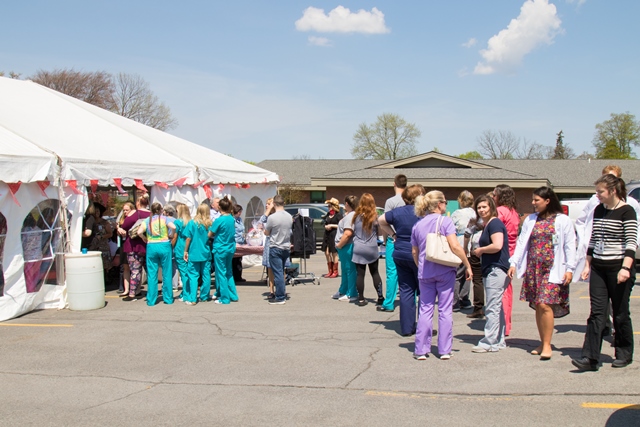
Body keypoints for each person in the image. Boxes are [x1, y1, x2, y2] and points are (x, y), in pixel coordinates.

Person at [572, 174, 637, 371]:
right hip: (599, 267)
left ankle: (624, 353)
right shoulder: (599, 209)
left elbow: (631, 242)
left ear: (613, 191)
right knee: (597, 313)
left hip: (619, 267)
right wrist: (587, 265)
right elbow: (593, 239)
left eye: (600, 191)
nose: (597, 195)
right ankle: (590, 357)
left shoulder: (627, 211)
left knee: (620, 313)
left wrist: (625, 268)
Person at [508, 187, 576, 360]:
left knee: (546, 304)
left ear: (548, 201)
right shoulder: (531, 219)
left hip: (553, 268)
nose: (533, 203)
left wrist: (570, 268)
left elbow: (569, 245)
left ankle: (547, 345)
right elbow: (522, 242)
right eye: (532, 200)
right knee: (538, 305)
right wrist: (514, 263)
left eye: (536, 200)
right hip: (534, 268)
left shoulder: (563, 220)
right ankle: (542, 341)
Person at [411, 191, 471, 360]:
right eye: (445, 202)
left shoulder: (418, 225)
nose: (446, 204)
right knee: (445, 310)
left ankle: (421, 349)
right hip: (445, 270)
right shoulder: (446, 222)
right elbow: (455, 246)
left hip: (425, 271)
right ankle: (444, 349)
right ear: (439, 204)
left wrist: (420, 265)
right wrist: (466, 264)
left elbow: (414, 252)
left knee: (425, 309)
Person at [379, 184, 426, 337]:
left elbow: (380, 220)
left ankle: (406, 328)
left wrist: (393, 234)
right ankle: (423, 327)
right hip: (419, 254)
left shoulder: (397, 212)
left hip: (400, 252)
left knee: (406, 290)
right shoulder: (423, 213)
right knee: (424, 292)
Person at [471, 195, 510, 353]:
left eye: (484, 207)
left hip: (496, 268)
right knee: (496, 307)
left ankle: (488, 341)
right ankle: (498, 341)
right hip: (492, 268)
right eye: (479, 207)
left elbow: (497, 245)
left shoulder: (494, 223)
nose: (481, 210)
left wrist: (480, 250)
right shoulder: (488, 224)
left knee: (492, 307)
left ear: (491, 207)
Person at [137, 202, 176, 306]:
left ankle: (151, 299)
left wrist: (144, 237)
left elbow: (139, 232)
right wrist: (170, 234)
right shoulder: (164, 219)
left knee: (152, 273)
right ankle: (168, 298)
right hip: (164, 245)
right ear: (161, 210)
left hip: (151, 246)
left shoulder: (147, 220)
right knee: (167, 272)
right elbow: (174, 227)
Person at [493, 184, 519, 336]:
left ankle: (502, 325)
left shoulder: (500, 212)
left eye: (495, 195)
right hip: (511, 253)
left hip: (501, 254)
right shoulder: (513, 212)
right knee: (507, 290)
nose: (493, 197)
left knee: (500, 291)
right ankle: (507, 323)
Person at [380, 174, 407, 312]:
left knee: (392, 272)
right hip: (409, 241)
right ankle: (410, 301)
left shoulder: (391, 202)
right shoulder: (411, 201)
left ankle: (389, 303)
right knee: (409, 273)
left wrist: (388, 237)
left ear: (394, 184)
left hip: (394, 239)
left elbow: (384, 222)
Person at [351, 193, 384, 307]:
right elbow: (379, 232)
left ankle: (361, 298)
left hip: (359, 246)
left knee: (360, 274)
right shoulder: (375, 216)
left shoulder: (356, 216)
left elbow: (353, 231)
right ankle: (380, 297)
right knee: (375, 272)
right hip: (371, 246)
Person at [118, 194, 150, 301]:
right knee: (149, 270)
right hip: (148, 244)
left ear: (138, 203)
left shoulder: (136, 213)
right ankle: (151, 291)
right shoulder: (151, 214)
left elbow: (125, 225)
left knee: (135, 270)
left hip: (133, 245)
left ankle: (132, 293)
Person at [209, 197, 239, 304]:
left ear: (220, 207)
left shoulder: (219, 220)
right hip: (230, 247)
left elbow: (210, 233)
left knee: (221, 273)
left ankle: (225, 298)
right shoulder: (231, 219)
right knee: (228, 272)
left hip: (220, 248)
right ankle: (233, 295)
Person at [265, 194, 293, 305]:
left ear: (274, 204)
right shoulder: (289, 216)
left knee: (277, 274)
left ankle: (280, 297)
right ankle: (281, 293)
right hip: (286, 247)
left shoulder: (272, 217)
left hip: (275, 246)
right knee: (281, 272)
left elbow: (266, 232)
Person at [183, 203, 213, 304]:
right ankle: (204, 296)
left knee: (193, 276)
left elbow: (188, 238)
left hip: (194, 252)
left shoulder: (192, 223)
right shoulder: (209, 224)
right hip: (205, 252)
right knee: (206, 275)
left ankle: (192, 298)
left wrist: (185, 250)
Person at [451, 190, 475, 311]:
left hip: (460, 242)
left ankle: (454, 301)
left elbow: (451, 227)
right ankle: (464, 298)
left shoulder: (456, 213)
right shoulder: (474, 213)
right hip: (472, 243)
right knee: (468, 272)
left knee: (457, 273)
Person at [333, 195, 358, 302]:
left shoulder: (350, 216)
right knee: (345, 269)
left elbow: (348, 233)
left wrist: (339, 244)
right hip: (345, 247)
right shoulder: (350, 215)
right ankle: (343, 290)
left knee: (350, 270)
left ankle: (351, 293)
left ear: (347, 204)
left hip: (347, 246)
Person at [464, 218, 486, 319]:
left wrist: (465, 248)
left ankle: (478, 308)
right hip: (489, 250)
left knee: (477, 281)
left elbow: (467, 234)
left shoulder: (474, 220)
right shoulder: (493, 218)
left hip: (476, 251)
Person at [171, 204, 191, 301]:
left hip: (180, 248)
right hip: (190, 248)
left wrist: (171, 246)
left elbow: (175, 236)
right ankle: (188, 291)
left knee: (183, 272)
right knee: (189, 271)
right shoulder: (191, 222)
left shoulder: (178, 222)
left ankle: (186, 293)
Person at [116, 201, 135, 296]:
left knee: (134, 268)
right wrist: (118, 229)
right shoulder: (121, 220)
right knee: (125, 267)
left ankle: (134, 288)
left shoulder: (133, 219)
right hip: (123, 244)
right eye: (124, 210)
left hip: (132, 244)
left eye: (127, 210)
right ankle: (126, 289)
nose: (125, 212)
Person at [321, 197, 343, 278]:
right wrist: (326, 226)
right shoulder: (328, 215)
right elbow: (324, 222)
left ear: (334, 206)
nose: (328, 207)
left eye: (330, 206)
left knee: (334, 253)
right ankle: (330, 270)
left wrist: (332, 225)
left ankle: (335, 271)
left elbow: (341, 226)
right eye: (328, 206)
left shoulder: (338, 215)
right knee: (326, 252)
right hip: (327, 235)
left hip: (334, 234)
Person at [259, 198, 276, 299]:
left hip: (277, 242)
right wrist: (268, 210)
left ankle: (280, 289)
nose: (266, 206)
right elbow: (261, 222)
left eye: (268, 204)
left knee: (279, 268)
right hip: (268, 243)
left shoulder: (277, 215)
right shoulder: (267, 216)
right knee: (269, 268)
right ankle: (271, 290)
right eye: (266, 204)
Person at [231, 204, 247, 283]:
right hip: (235, 242)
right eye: (239, 212)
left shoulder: (239, 219)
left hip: (241, 242)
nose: (240, 213)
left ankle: (238, 276)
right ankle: (233, 277)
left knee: (239, 260)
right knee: (233, 261)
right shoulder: (232, 220)